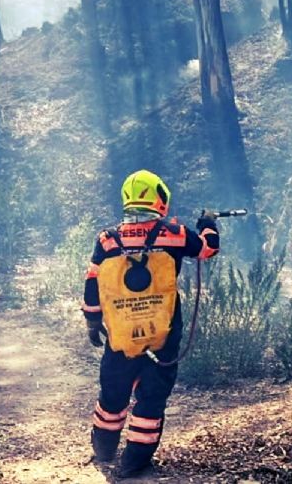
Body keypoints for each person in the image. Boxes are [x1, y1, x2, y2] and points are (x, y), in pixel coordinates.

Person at [82, 169, 219, 478]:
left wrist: (92, 319)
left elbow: (93, 280)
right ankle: (134, 463)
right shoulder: (176, 233)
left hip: (121, 333)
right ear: (160, 198)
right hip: (164, 332)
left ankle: (103, 451)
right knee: (152, 396)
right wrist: (208, 223)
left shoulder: (107, 240)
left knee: (113, 393)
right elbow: (208, 249)